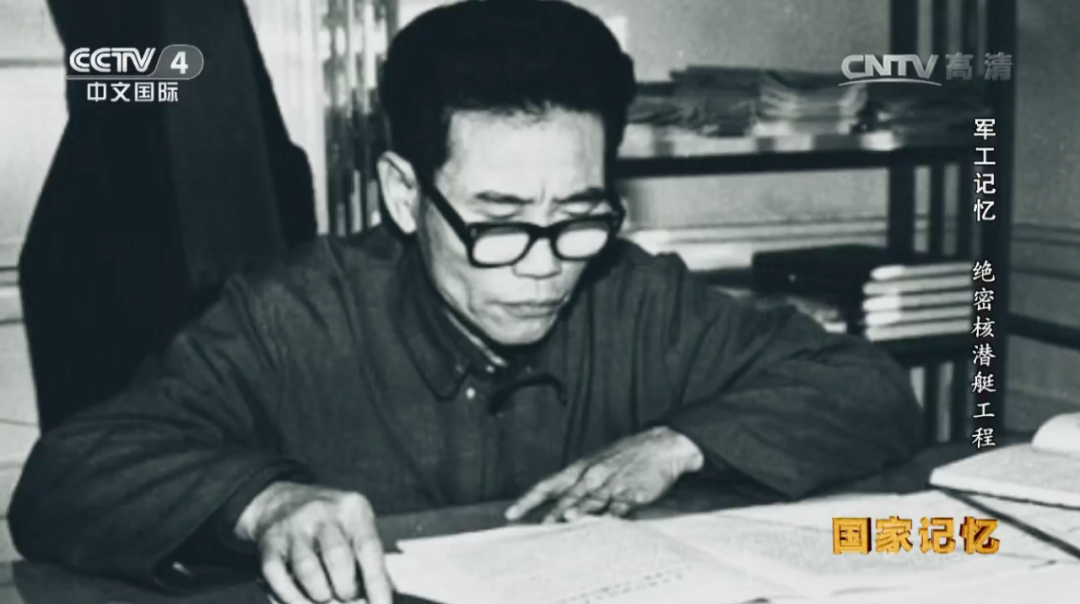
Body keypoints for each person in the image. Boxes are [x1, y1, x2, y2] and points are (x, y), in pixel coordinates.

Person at [8, 1, 923, 604]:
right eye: (499, 221)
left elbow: (867, 387)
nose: (545, 266)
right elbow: (68, 476)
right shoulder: (290, 316)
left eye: (579, 216)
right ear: (405, 195)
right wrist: (264, 503)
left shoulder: (638, 294)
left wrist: (678, 443)